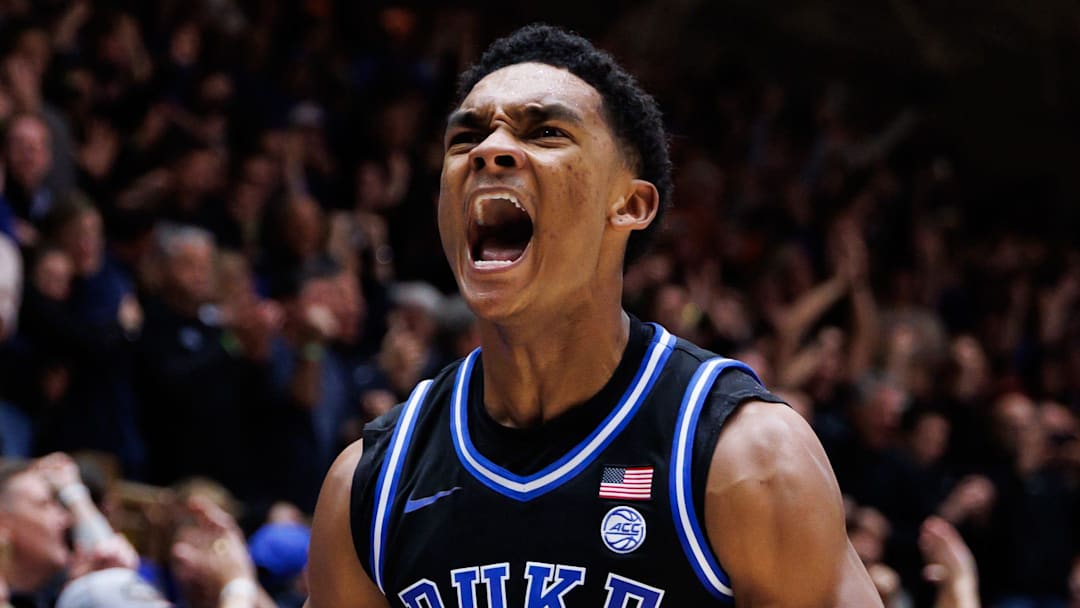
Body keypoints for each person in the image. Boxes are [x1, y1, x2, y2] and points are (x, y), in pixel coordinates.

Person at [306, 24, 879, 607]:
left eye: (547, 132)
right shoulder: (371, 486)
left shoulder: (746, 459)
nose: (487, 150)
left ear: (630, 204)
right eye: (466, 139)